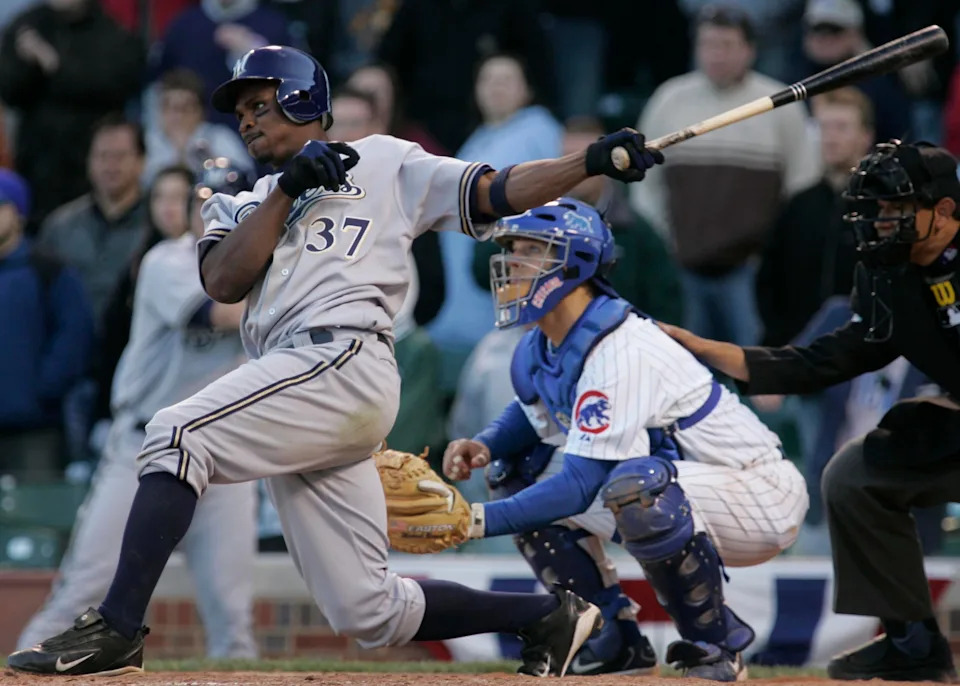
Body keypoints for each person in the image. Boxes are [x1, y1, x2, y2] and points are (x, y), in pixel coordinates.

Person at [6, 44, 664, 677]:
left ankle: (118, 627)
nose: (245, 119)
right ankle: (549, 617)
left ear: (299, 99)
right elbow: (225, 282)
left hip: (343, 356)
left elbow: (496, 191)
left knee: (175, 433)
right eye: (239, 111)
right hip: (299, 384)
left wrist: (590, 162)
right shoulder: (238, 203)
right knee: (366, 608)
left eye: (259, 104)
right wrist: (285, 190)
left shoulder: (382, 162)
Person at [440, 197, 808, 679]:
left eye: (531, 250)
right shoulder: (545, 340)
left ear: (574, 265)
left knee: (634, 487)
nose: (512, 263)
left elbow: (578, 485)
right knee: (516, 469)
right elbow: (533, 416)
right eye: (513, 249)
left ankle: (716, 647)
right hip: (690, 490)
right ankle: (614, 641)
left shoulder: (621, 346)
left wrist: (471, 521)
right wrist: (486, 443)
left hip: (760, 494)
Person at [660, 140, 960, 682]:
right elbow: (825, 361)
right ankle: (913, 645)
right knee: (856, 475)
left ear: (942, 211)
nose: (881, 224)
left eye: (894, 210)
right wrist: (707, 349)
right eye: (876, 211)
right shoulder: (886, 275)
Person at [16, 162, 258, 659]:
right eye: (207, 202)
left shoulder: (268, 274)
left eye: (234, 203)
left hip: (224, 457)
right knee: (84, 588)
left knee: (232, 615)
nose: (218, 213)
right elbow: (219, 312)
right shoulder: (168, 260)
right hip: (144, 448)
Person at [630, 3, 819, 346]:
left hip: (752, 270)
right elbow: (645, 183)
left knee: (758, 368)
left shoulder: (778, 102)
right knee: (684, 365)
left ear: (749, 50)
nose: (716, 54)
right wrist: (663, 238)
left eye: (726, 45)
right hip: (682, 265)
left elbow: (802, 187)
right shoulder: (669, 100)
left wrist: (771, 253)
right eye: (708, 44)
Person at [0, 0, 144, 227]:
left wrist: (53, 64)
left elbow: (115, 84)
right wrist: (28, 63)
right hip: (37, 161)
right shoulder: (26, 26)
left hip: (89, 160)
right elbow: (8, 89)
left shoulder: (109, 29)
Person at [757, 86, 873, 347]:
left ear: (865, 136)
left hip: (859, 351)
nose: (830, 138)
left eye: (841, 127)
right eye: (824, 127)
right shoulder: (799, 205)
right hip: (798, 350)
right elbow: (769, 280)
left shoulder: (880, 208)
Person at [0, 169, 93, 480]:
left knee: (39, 520)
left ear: (20, 214)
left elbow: (74, 335)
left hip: (35, 428)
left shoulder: (48, 269)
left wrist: (42, 392)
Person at [143, 69, 252, 184]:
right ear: (160, 111)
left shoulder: (219, 137)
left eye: (185, 108)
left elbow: (246, 179)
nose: (178, 116)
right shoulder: (147, 143)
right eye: (171, 107)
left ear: (201, 112)